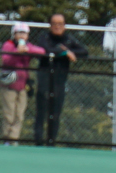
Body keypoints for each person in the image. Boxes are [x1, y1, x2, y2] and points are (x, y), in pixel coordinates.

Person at [34, 13, 84, 145]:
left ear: (64, 26)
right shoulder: (44, 37)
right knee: (41, 113)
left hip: (59, 83)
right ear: (50, 25)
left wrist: (68, 51)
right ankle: (38, 142)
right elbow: (46, 49)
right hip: (44, 82)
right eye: (54, 23)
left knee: (55, 113)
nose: (57, 26)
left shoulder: (68, 40)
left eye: (60, 24)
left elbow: (84, 51)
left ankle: (52, 142)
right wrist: (65, 53)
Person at [0, 22, 43, 144]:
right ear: (14, 34)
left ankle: (14, 139)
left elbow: (41, 51)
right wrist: (16, 53)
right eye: (19, 33)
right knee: (9, 114)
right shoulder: (8, 45)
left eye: (24, 33)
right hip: (9, 85)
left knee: (19, 115)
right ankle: (7, 139)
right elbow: (6, 60)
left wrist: (27, 50)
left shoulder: (28, 46)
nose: (22, 36)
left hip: (23, 85)